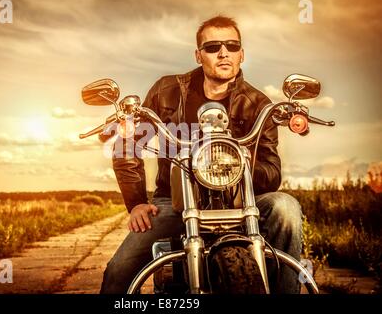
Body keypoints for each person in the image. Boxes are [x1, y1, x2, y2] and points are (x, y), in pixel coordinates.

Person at [100, 15, 302, 294]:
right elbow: (128, 142)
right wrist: (136, 202)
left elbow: (272, 173)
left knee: (286, 208)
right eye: (213, 47)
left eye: (232, 46)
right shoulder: (166, 90)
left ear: (241, 54)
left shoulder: (259, 104)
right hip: (175, 201)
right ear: (198, 55)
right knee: (117, 272)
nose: (223, 53)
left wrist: (238, 159)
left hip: (241, 200)